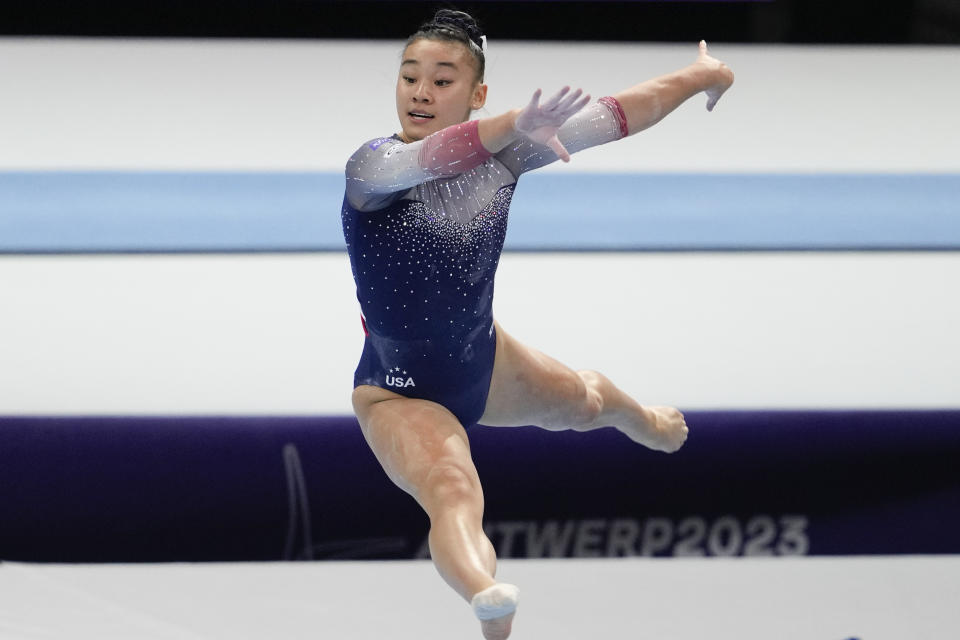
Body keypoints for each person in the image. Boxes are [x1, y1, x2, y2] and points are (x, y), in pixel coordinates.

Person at [341, 9, 734, 639]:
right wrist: (504, 127)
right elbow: (439, 154)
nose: (419, 91)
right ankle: (487, 597)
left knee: (585, 400)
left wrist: (700, 74)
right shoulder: (374, 167)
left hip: (482, 359)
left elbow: (622, 113)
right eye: (410, 76)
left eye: (442, 81)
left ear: (477, 93)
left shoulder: (508, 154)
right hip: (398, 389)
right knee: (451, 488)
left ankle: (648, 422)